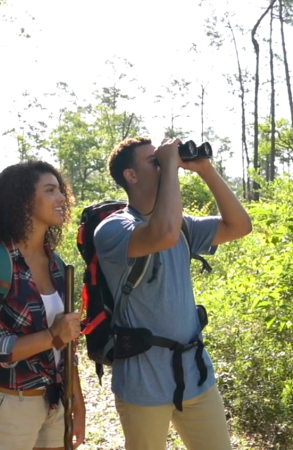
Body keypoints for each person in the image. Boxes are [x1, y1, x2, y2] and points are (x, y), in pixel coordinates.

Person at [93, 137, 252, 450]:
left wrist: (205, 169)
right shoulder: (113, 230)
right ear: (131, 176)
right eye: (153, 160)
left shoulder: (183, 226)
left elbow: (240, 225)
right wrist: (170, 167)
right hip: (142, 380)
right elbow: (160, 235)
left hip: (195, 375)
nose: (163, 163)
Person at [0, 161, 85, 450]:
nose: (62, 198)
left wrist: (75, 399)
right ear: (22, 200)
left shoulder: (57, 265)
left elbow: (67, 344)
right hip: (4, 406)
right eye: (50, 190)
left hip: (54, 402)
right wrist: (50, 336)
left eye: (60, 190)